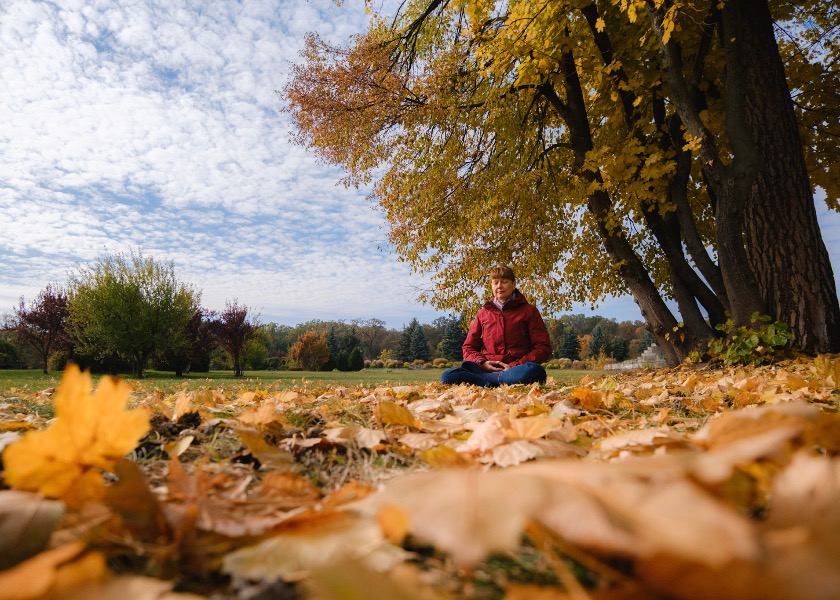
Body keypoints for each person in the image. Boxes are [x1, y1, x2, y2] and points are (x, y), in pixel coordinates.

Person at [441, 265, 552, 387]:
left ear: (514, 284)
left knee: (535, 371)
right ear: (491, 286)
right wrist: (482, 363)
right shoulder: (483, 313)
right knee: (448, 375)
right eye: (495, 283)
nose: (499, 286)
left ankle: (488, 382)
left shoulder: (529, 311)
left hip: (515, 370)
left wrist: (514, 365)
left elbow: (543, 348)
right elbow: (468, 347)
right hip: (485, 370)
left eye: (504, 282)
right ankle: (493, 381)